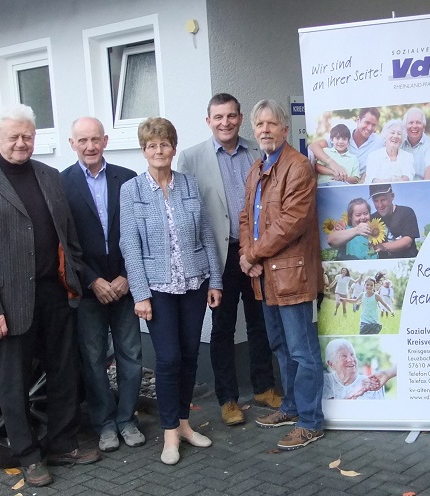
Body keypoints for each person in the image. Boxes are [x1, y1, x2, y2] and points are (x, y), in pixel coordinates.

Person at [0, 104, 99, 486]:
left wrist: (75, 280)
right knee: (13, 380)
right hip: (9, 303)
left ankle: (63, 443)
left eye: (28, 136)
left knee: (64, 373)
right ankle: (29, 455)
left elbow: (67, 236)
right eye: (14, 136)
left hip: (56, 293)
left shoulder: (49, 176)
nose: (21, 143)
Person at [119, 117, 223, 465]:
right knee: (168, 359)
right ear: (144, 150)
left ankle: (184, 424)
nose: (159, 150)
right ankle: (168, 433)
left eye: (165, 144)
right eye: (152, 145)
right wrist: (140, 294)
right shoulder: (131, 191)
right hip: (157, 288)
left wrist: (216, 281)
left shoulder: (189, 185)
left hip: (194, 284)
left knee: (191, 355)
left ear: (173, 148)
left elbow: (206, 234)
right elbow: (130, 246)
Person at [176, 93, 280, 428]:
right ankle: (228, 398)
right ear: (208, 121)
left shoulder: (256, 151)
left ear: (240, 119)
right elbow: (188, 213)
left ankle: (264, 387)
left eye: (232, 116)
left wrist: (258, 251)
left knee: (260, 321)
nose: (225, 123)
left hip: (256, 253)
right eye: (218, 117)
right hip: (219, 256)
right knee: (221, 328)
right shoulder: (191, 158)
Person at [240, 99, 325, 450]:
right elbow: (246, 218)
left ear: (285, 129)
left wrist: (253, 253)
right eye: (259, 124)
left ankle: (310, 421)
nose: (264, 130)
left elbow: (291, 222)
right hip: (266, 277)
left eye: (271, 124)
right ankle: (290, 407)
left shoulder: (298, 166)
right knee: (280, 346)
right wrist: (248, 253)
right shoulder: (257, 167)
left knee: (303, 351)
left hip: (292, 275)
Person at [61, 117, 145, 453]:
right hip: (89, 287)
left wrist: (128, 275)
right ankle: (105, 423)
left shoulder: (127, 178)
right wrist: (92, 280)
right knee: (93, 358)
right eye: (82, 141)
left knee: (132, 356)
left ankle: (127, 419)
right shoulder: (61, 183)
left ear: (106, 140)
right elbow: (64, 243)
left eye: (95, 139)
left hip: (125, 283)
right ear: (72, 144)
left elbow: (139, 232)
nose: (90, 146)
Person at [310, 107, 384, 175]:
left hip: (359, 182)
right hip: (336, 179)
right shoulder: (343, 135)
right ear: (358, 120)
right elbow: (313, 146)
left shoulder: (379, 142)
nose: (369, 128)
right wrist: (331, 163)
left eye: (373, 125)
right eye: (367, 123)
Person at [369, 184, 419, 259]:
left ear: (392, 196)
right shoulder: (372, 218)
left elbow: (407, 242)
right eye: (376, 201)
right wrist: (345, 223)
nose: (380, 205)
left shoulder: (406, 212)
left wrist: (382, 247)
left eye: (383, 200)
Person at [364, 120, 415, 184]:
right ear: (385, 135)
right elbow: (372, 178)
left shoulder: (408, 156)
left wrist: (400, 180)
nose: (395, 136)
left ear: (402, 138)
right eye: (392, 133)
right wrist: (388, 182)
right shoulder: (373, 156)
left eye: (399, 134)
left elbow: (408, 175)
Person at [400, 107, 430, 180]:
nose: (414, 126)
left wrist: (424, 187)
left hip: (422, 186)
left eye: (418, 122)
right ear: (405, 126)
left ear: (423, 127)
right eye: (411, 122)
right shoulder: (399, 142)